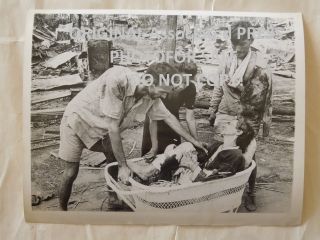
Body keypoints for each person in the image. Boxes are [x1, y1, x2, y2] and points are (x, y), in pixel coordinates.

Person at [58, 63, 207, 211]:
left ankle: (113, 198)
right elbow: (113, 127)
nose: (164, 96)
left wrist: (194, 141)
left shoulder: (151, 95)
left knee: (113, 159)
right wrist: (124, 166)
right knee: (71, 172)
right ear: (150, 81)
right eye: (162, 91)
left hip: (103, 129)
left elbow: (168, 117)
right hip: (78, 120)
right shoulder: (117, 80)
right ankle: (62, 212)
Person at [208, 20, 272, 211]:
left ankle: (250, 193)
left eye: (242, 44)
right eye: (234, 43)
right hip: (225, 112)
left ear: (251, 40)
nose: (237, 48)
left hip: (247, 116)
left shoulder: (259, 64)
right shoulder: (226, 57)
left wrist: (242, 88)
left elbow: (261, 99)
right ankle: (224, 192)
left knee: (248, 155)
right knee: (223, 153)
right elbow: (218, 86)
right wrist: (212, 109)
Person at [128, 119, 256, 185]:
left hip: (204, 186)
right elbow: (204, 159)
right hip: (198, 176)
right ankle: (151, 173)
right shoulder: (219, 145)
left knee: (181, 151)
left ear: (238, 132)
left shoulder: (235, 156)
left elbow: (216, 179)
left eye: (229, 124)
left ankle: (150, 173)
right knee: (183, 146)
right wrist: (190, 152)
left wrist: (192, 165)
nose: (224, 125)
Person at [141, 62, 199, 160]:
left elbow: (190, 118)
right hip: (154, 122)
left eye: (186, 83)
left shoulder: (191, 89)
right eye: (181, 81)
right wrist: (154, 147)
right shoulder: (163, 85)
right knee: (150, 156)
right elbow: (153, 117)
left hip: (173, 122)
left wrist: (196, 141)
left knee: (173, 156)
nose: (182, 86)